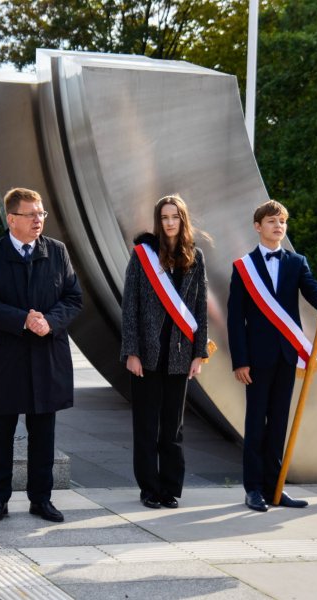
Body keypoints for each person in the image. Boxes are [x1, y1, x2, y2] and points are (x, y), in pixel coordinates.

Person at [0, 187, 83, 524]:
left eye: (41, 213)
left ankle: (41, 500)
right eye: (31, 214)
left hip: (47, 356)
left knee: (43, 435)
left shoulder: (57, 251)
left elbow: (73, 297)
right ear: (11, 219)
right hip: (7, 359)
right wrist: (23, 319)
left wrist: (49, 321)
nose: (39, 220)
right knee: (2, 433)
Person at [227, 200, 317, 512]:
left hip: (288, 357)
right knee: (256, 423)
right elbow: (236, 318)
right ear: (258, 226)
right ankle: (253, 490)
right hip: (257, 359)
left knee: (278, 424)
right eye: (272, 221)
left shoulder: (296, 261)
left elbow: (312, 289)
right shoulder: (243, 268)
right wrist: (240, 360)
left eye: (282, 222)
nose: (278, 227)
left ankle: (276, 488)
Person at [121, 195, 208, 510]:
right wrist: (131, 351)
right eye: (165, 217)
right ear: (158, 222)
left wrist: (200, 353)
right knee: (146, 424)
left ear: (182, 220)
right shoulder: (143, 256)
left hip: (180, 355)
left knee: (173, 426)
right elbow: (129, 305)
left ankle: (170, 487)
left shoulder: (195, 257)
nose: (170, 222)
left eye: (175, 217)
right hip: (146, 354)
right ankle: (149, 488)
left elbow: (199, 307)